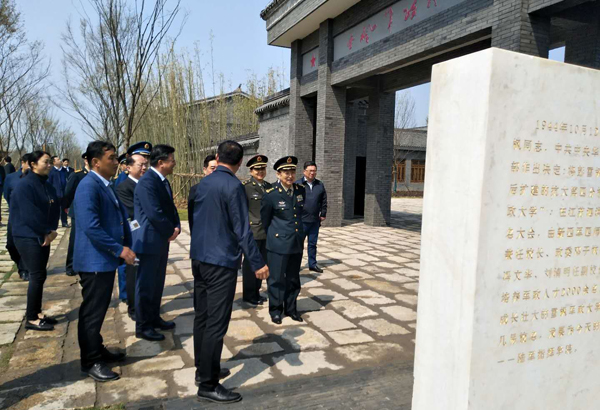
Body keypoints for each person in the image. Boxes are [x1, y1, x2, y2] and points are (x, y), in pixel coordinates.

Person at [190, 140, 268, 404]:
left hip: (199, 258)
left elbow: (193, 218)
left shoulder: (203, 183)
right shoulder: (234, 186)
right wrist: (257, 263)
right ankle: (209, 385)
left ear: (216, 157)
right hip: (221, 262)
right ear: (238, 163)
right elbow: (242, 229)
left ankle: (203, 370)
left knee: (202, 317)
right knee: (216, 322)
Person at [73, 140, 134, 382]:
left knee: (97, 311)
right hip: (94, 261)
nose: (116, 161)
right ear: (95, 162)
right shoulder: (89, 186)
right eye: (111, 158)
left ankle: (97, 350)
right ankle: (90, 362)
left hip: (102, 260)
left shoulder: (104, 183)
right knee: (92, 313)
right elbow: (91, 227)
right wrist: (119, 250)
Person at [133, 144, 180, 342]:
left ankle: (154, 318)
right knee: (146, 285)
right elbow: (154, 213)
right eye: (171, 160)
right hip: (149, 241)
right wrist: (170, 230)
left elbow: (170, 208)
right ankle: (143, 326)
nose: (174, 164)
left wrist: (176, 225)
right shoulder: (147, 183)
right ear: (161, 163)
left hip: (160, 240)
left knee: (157, 283)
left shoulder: (162, 181)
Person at [10, 151, 60, 331]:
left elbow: (55, 206)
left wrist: (52, 230)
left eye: (50, 162)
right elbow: (29, 215)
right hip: (27, 235)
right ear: (32, 164)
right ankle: (31, 318)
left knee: (41, 274)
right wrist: (46, 232)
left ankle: (37, 312)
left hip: (43, 235)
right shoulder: (24, 186)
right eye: (45, 162)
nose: (49, 165)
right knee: (36, 275)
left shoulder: (46, 184)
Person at [261, 156, 306, 324]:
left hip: (296, 242)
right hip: (278, 243)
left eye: (292, 171)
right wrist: (274, 237)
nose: (290, 175)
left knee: (293, 279)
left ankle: (292, 308)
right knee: (276, 279)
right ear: (278, 174)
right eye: (286, 172)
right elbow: (265, 221)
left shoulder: (301, 190)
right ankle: (276, 310)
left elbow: (299, 214)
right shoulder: (270, 194)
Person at [115, 141, 151, 321]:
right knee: (133, 273)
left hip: (149, 237)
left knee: (146, 274)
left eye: (146, 164)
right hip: (134, 236)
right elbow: (132, 214)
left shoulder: (148, 183)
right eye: (140, 164)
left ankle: (145, 305)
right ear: (128, 167)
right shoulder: (123, 187)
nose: (144, 167)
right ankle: (133, 307)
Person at [241, 154, 270, 306]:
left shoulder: (268, 186)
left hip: (266, 232)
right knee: (250, 264)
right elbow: (242, 211)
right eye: (257, 169)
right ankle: (249, 294)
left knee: (262, 263)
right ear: (251, 171)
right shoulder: (246, 187)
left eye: (262, 169)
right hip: (253, 232)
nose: (260, 172)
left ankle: (256, 292)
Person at [296, 161, 327, 273]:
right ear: (304, 171)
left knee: (312, 244)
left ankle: (312, 264)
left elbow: (323, 200)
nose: (312, 173)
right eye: (310, 171)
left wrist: (323, 213)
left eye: (314, 171)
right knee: (298, 245)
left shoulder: (319, 184)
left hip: (314, 220)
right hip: (301, 220)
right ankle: (295, 265)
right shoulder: (298, 184)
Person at [4, 154, 31, 281]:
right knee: (10, 244)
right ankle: (19, 262)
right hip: (15, 216)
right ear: (23, 163)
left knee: (26, 244)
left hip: (31, 217)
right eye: (29, 163)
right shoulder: (11, 178)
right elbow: (6, 194)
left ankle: (24, 268)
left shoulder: (36, 178)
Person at [63, 153, 89, 277]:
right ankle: (70, 265)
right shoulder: (77, 175)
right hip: (77, 211)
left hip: (91, 211)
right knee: (75, 238)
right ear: (85, 160)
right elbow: (68, 192)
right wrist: (66, 207)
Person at [188, 154, 217, 230]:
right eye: (212, 168)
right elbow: (191, 215)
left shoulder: (225, 188)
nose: (215, 171)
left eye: (218, 168)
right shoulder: (195, 189)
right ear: (204, 170)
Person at [48, 155, 68, 227]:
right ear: (54, 162)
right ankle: (54, 224)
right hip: (55, 194)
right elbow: (49, 183)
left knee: (64, 209)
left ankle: (64, 222)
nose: (60, 160)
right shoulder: (51, 171)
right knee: (55, 210)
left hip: (64, 193)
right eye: (58, 159)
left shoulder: (64, 170)